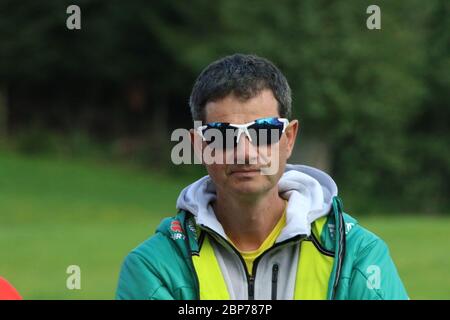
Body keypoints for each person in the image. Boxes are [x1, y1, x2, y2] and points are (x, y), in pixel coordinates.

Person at [116, 54, 408, 300]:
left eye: (263, 132)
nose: (245, 153)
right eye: (223, 135)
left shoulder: (356, 255)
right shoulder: (154, 266)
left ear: (289, 138)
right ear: (199, 146)